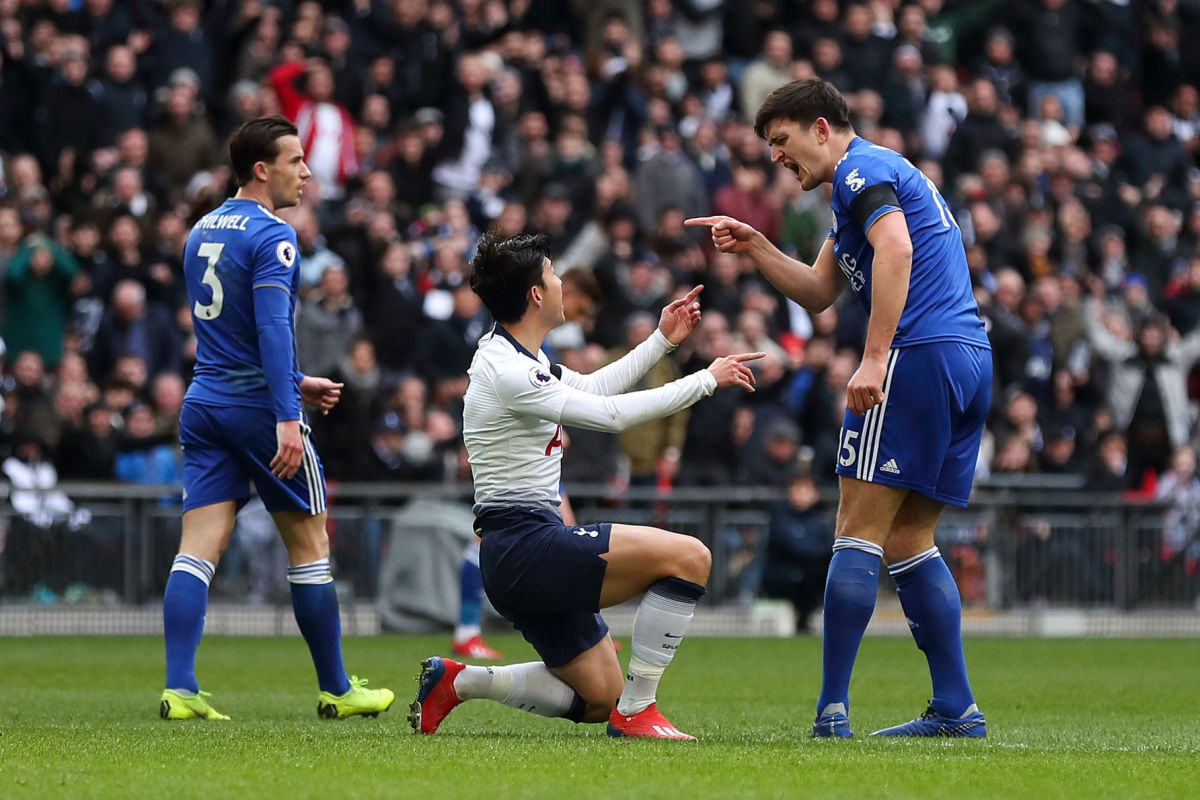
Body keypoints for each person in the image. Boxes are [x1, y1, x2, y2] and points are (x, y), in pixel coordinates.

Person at [686, 77, 992, 738]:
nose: (776, 157)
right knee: (909, 538)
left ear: (820, 126)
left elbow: (898, 251)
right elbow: (821, 292)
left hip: (917, 355)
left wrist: (877, 356)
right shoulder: (867, 182)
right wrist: (759, 247)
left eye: (782, 141)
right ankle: (955, 706)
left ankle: (831, 712)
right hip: (967, 358)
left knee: (855, 530)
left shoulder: (859, 171)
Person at [408, 232, 761, 740]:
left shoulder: (515, 356)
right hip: (525, 548)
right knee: (690, 557)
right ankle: (640, 713)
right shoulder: (508, 369)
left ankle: (458, 683)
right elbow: (611, 416)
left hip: (519, 550)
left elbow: (595, 388)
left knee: (598, 698)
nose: (560, 285)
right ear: (535, 294)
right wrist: (705, 380)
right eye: (553, 276)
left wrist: (662, 341)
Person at [160, 116, 393, 721]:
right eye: (295, 161)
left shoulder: (202, 229)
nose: (307, 172)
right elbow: (268, 328)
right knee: (310, 544)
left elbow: (226, 336)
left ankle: (179, 689)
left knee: (197, 550)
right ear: (262, 169)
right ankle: (338, 689)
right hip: (259, 411)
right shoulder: (274, 235)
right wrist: (287, 412)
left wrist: (294, 381)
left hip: (204, 404)